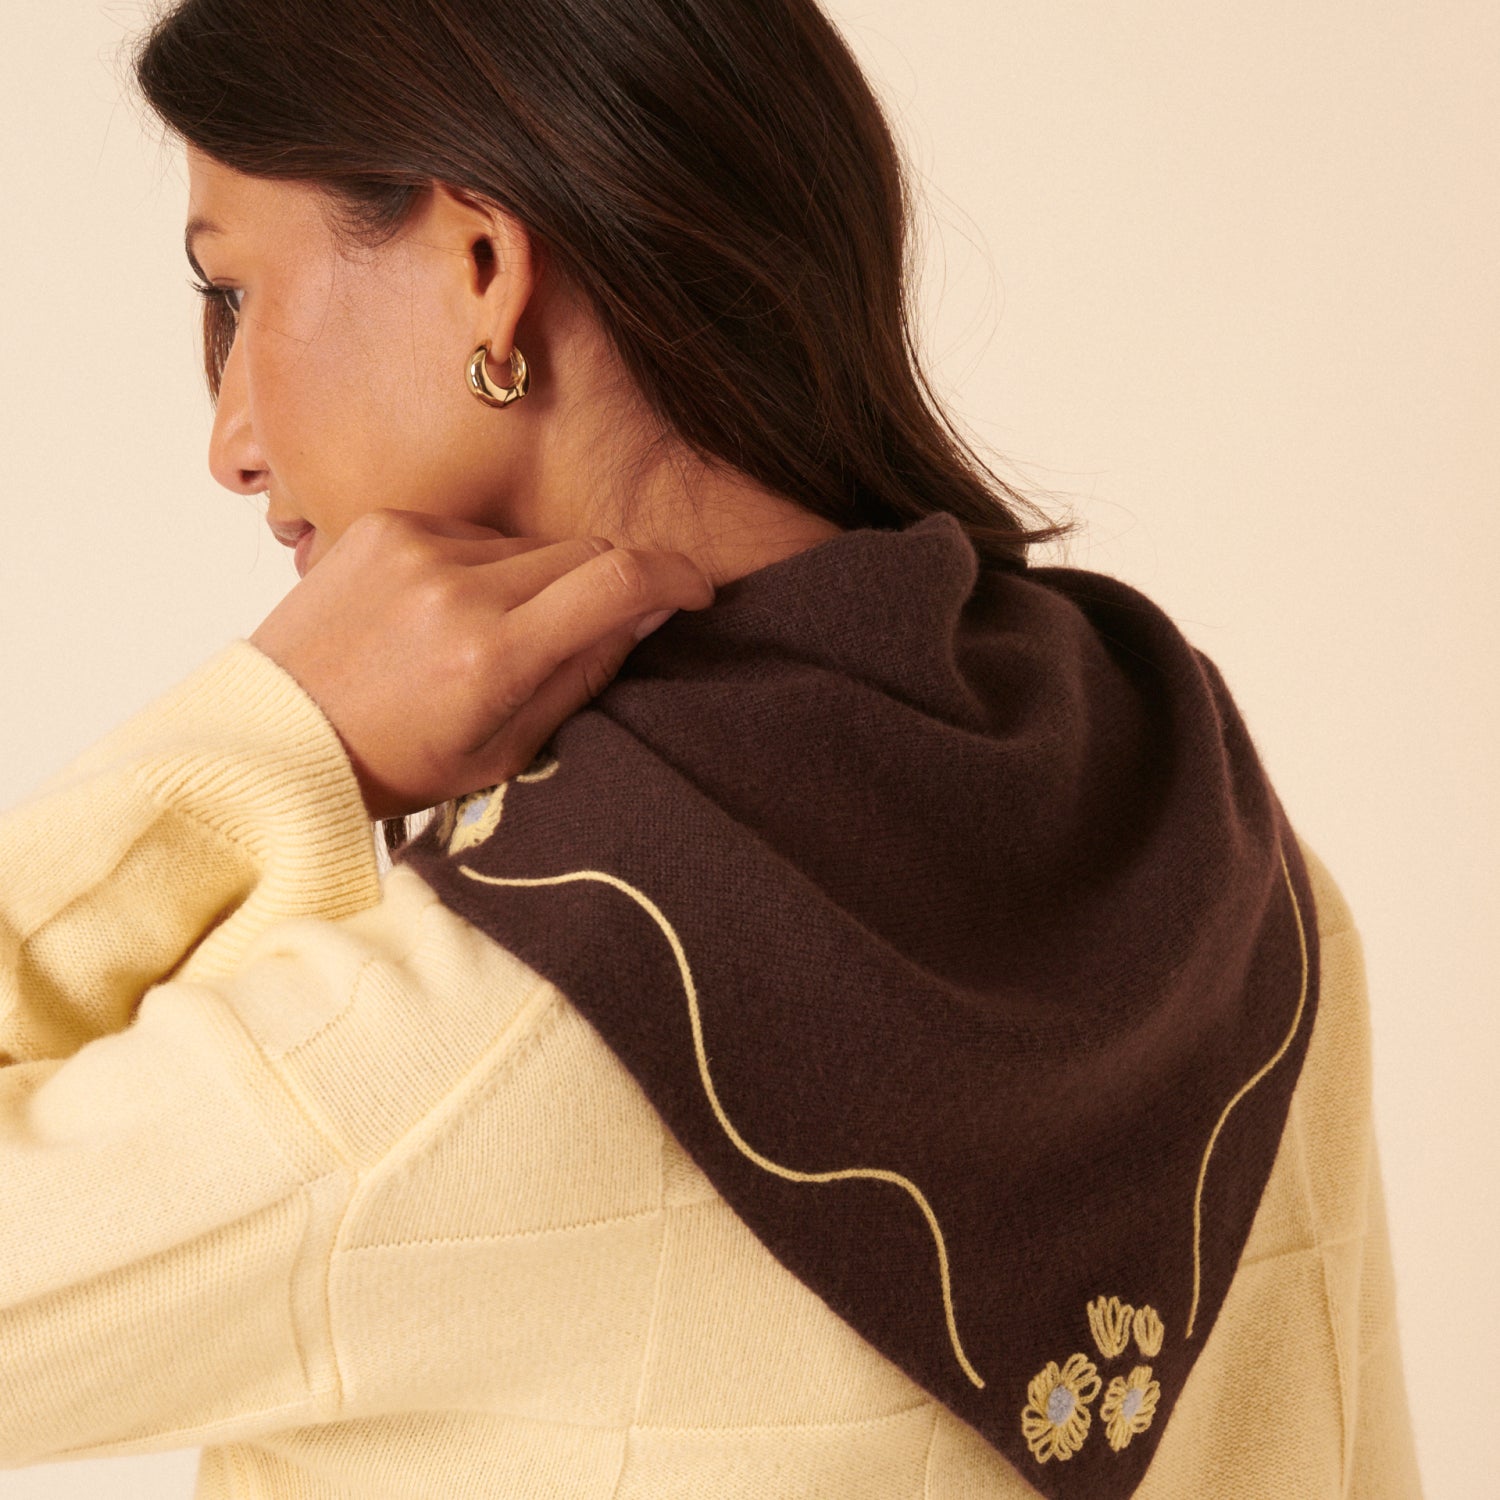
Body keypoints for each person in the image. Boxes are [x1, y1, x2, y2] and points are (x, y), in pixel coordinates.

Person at [0, 2, 1422, 1497]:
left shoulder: (463, 1029)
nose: (229, 442)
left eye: (234, 291)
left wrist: (270, 738)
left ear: (483, 266)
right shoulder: (1220, 849)